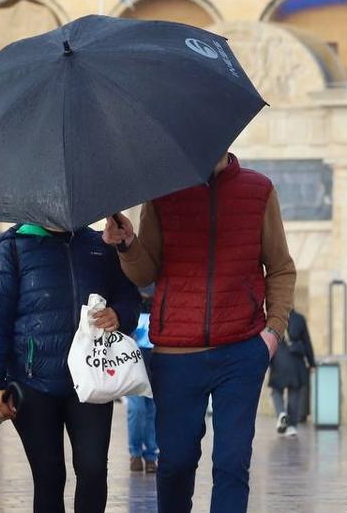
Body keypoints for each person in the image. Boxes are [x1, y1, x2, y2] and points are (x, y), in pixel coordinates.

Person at [103, 153, 296, 513]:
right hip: (176, 354)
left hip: (241, 350)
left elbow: (281, 268)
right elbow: (145, 273)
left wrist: (272, 333)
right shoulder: (162, 193)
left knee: (232, 463)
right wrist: (127, 244)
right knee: (175, 464)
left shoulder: (258, 190)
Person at [0, 223, 140, 513]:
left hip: (92, 381)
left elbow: (129, 299)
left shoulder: (100, 245)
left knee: (92, 471)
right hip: (33, 382)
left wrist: (119, 314)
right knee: (49, 477)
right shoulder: (13, 248)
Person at [268, 308, 315, 437]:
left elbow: (268, 341)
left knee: (276, 391)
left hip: (279, 360)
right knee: (294, 392)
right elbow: (307, 342)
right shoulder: (300, 319)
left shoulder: (274, 318)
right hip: (296, 362)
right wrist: (312, 363)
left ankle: (281, 413)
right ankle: (292, 426)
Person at [127, 285, 159, 474]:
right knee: (136, 410)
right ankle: (135, 453)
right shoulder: (130, 300)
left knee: (152, 413)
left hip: (155, 367)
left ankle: (151, 456)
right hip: (134, 369)